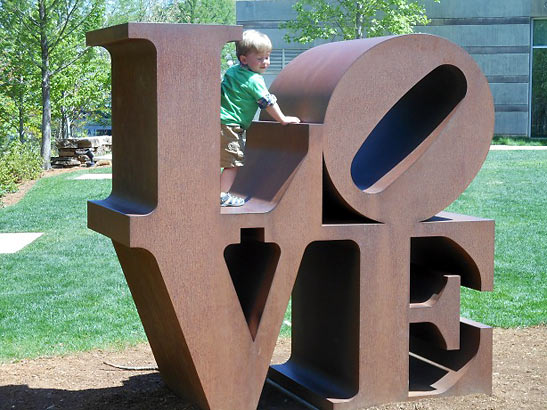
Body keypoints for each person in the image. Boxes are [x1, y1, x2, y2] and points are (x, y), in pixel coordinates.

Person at [220, 29, 300, 207]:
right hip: (231, 125)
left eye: (268, 57)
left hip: (219, 122)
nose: (266, 62)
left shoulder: (233, 71)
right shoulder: (254, 79)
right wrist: (283, 119)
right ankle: (221, 196)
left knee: (220, 160)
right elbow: (267, 101)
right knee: (232, 163)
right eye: (260, 58)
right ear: (244, 59)